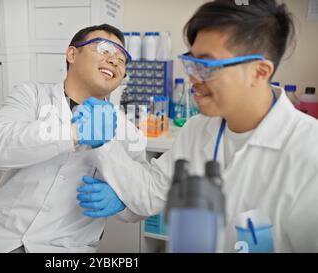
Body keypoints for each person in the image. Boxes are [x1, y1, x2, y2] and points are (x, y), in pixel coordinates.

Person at [76, 0, 318, 252]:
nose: (192, 78)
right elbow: (151, 192)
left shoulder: (309, 153)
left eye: (206, 66)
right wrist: (103, 144)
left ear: (260, 71)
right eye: (191, 63)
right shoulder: (198, 129)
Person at [0, 24, 146, 253]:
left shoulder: (127, 131)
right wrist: (73, 133)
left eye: (122, 58)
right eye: (105, 49)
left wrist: (123, 202)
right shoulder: (31, 95)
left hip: (66, 250)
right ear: (72, 54)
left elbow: (144, 196)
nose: (114, 60)